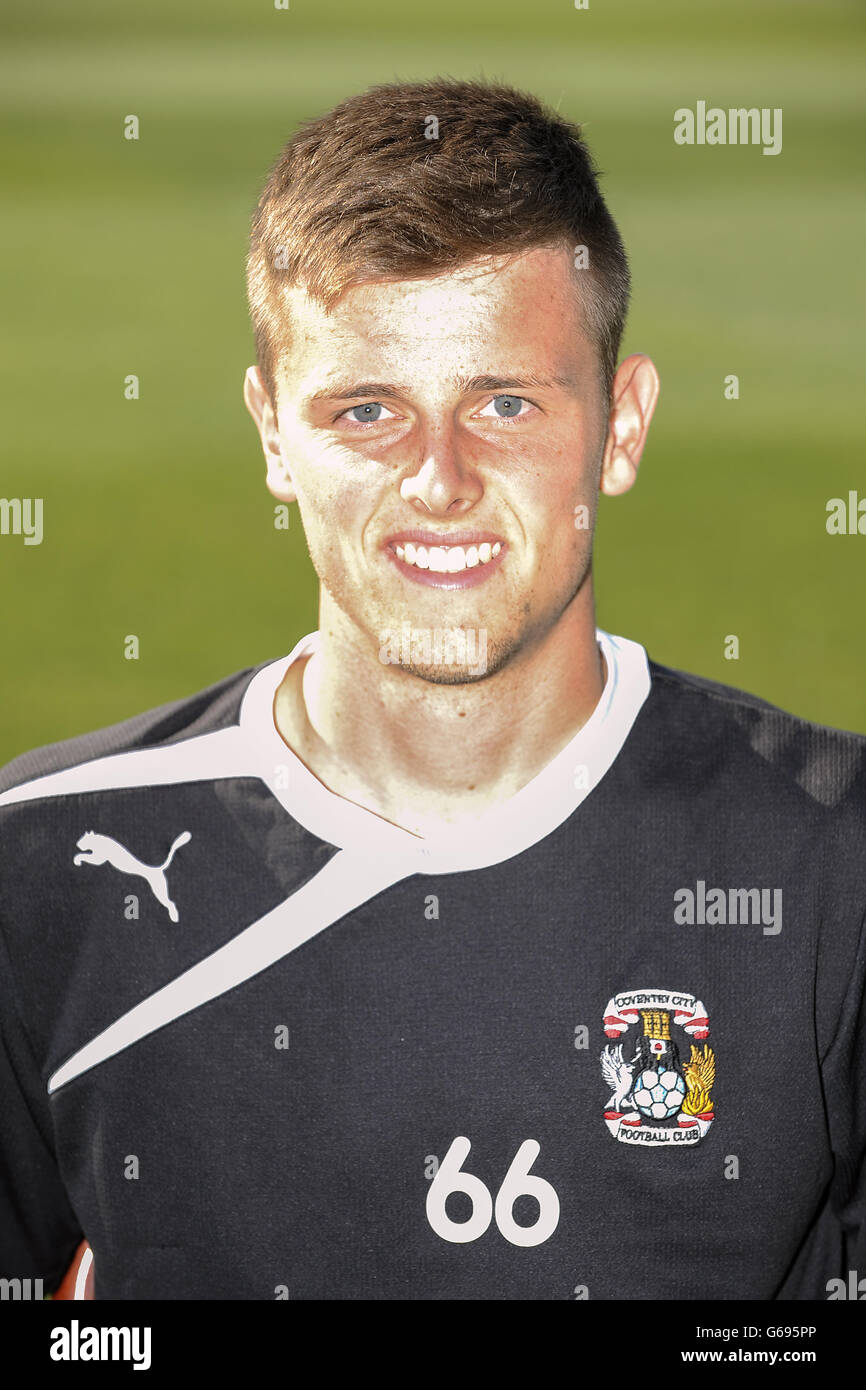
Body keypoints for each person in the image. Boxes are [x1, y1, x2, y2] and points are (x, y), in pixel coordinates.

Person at [1, 78, 863, 1301]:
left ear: (619, 428)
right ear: (270, 436)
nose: (439, 480)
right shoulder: (43, 864)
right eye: (368, 410)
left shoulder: (837, 867)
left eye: (502, 402)